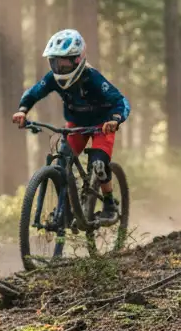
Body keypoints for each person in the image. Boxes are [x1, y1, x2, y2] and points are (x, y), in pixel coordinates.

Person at [12, 29, 129, 223]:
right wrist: (23, 110)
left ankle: (109, 203)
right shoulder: (52, 78)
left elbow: (120, 101)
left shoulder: (93, 78)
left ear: (78, 59)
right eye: (55, 61)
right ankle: (64, 210)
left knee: (99, 165)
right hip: (76, 125)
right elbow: (34, 92)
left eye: (64, 62)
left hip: (102, 124)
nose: (59, 67)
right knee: (61, 164)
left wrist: (115, 120)